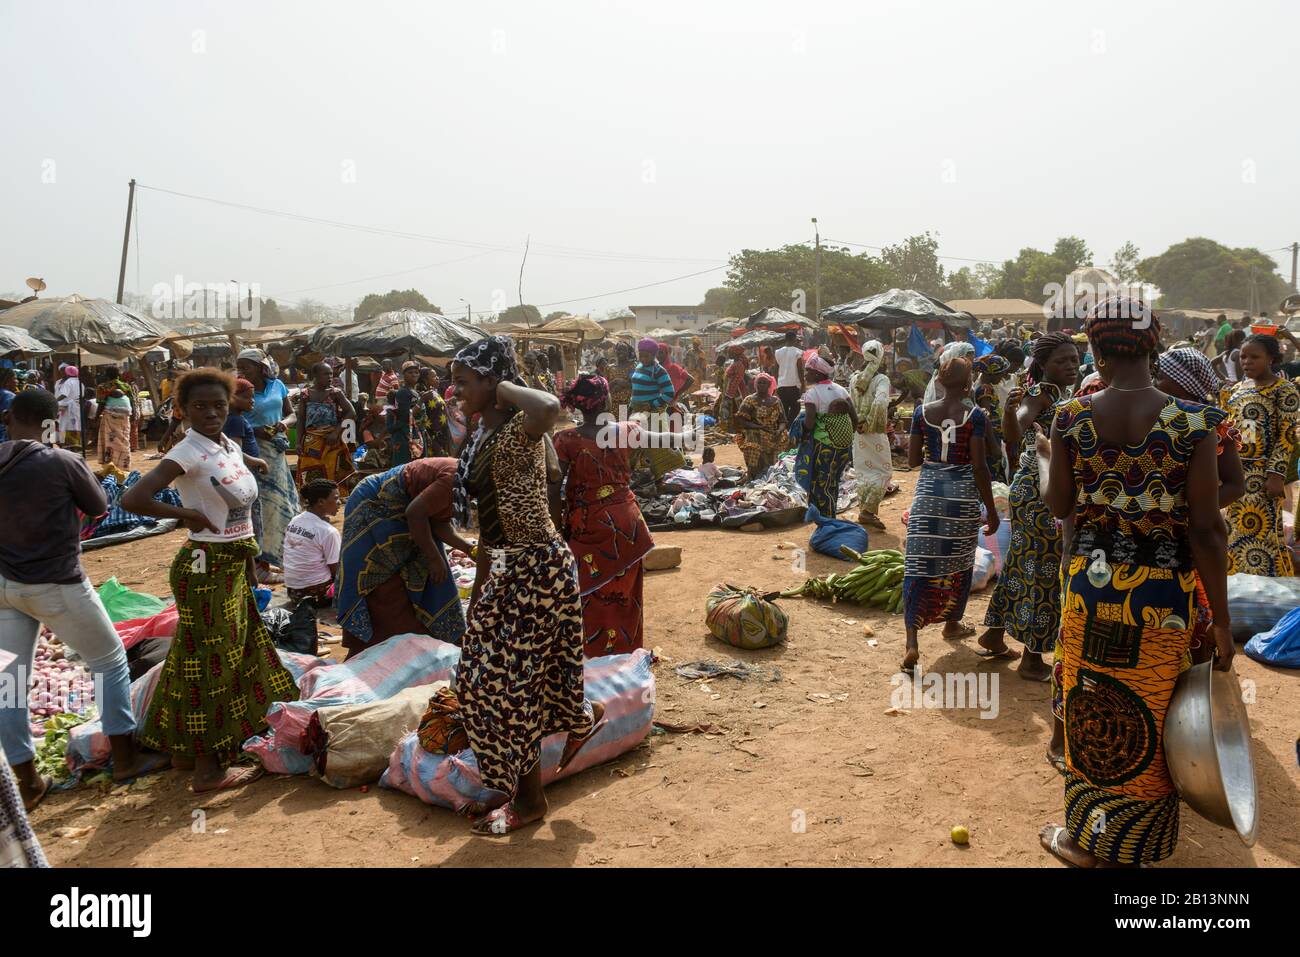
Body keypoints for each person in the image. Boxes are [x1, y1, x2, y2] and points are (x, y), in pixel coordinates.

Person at [1036, 299, 1233, 868]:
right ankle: (1134, 846)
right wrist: (1220, 621)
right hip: (1162, 595)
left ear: (1096, 351)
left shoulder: (1070, 417)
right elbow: (1207, 529)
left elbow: (1059, 504)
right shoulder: (1196, 423)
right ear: (1155, 347)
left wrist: (1051, 458)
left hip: (1091, 589)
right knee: (1150, 708)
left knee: (1091, 703)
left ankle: (1086, 837)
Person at [449, 336, 605, 835]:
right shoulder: (481, 434)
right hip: (507, 565)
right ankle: (577, 721)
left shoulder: (521, 426)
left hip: (536, 566)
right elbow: (490, 523)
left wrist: (506, 388)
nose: (455, 391)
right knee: (478, 683)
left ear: (494, 383)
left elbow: (550, 405)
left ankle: (529, 799)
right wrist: (480, 591)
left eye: (465, 381)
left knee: (512, 690)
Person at [121, 369, 295, 793]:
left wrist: (250, 462)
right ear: (183, 410)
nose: (211, 412)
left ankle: (183, 752)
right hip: (203, 566)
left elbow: (232, 474)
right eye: (200, 406)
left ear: (230, 403)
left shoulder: (226, 443)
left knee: (195, 656)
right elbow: (134, 498)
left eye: (219, 404)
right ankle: (208, 769)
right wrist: (187, 515)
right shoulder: (186, 451)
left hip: (231, 563)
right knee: (211, 663)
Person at [0, 389, 170, 810]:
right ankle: (127, 760)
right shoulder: (59, 461)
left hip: (4, 587)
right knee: (110, 660)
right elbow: (98, 506)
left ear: (8, 419)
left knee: (10, 682)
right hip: (56, 582)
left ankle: (25, 781)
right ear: (51, 421)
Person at [977, 332, 1078, 680]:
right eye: (1062, 360)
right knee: (1046, 570)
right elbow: (1018, 426)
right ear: (1045, 364)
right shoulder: (1043, 392)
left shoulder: (1057, 394)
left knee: (1022, 563)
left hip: (1029, 488)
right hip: (1040, 492)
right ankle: (1033, 658)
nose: (1071, 365)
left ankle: (993, 634)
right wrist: (1010, 415)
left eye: (1074, 359)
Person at [902, 357, 998, 672]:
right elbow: (981, 466)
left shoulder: (921, 412)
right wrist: (992, 510)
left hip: (928, 497)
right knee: (959, 565)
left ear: (939, 382)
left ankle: (912, 641)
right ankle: (952, 623)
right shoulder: (975, 416)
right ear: (969, 383)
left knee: (918, 566)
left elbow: (913, 459)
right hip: (961, 501)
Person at [553, 374, 655, 657]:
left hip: (587, 526)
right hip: (627, 523)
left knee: (588, 593)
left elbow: (552, 489)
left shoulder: (565, 440)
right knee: (626, 594)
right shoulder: (628, 430)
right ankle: (626, 654)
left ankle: (592, 658)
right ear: (607, 400)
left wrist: (557, 530)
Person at [336, 457, 472, 659]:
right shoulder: (454, 478)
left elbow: (439, 524)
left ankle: (425, 645)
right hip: (375, 505)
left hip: (409, 512)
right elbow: (415, 513)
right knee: (381, 577)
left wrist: (471, 551)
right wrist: (434, 558)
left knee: (431, 576)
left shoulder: (466, 485)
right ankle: (374, 651)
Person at [1220, 334, 1300, 575]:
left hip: (1263, 474)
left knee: (1263, 531)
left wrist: (1275, 474)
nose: (1247, 362)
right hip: (1237, 472)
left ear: (1271, 358)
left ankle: (1265, 582)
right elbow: (1227, 430)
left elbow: (1286, 435)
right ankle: (1237, 582)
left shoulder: (1283, 390)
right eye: (1243, 356)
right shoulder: (1235, 390)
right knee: (1234, 528)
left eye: (1255, 357)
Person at [236, 349, 298, 581]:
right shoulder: (238, 390)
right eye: (238, 366)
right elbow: (231, 422)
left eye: (246, 366)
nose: (241, 371)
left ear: (261, 367)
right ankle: (261, 563)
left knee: (281, 506)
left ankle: (276, 558)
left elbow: (292, 415)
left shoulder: (277, 386)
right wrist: (256, 431)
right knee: (261, 507)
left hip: (277, 451)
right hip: (254, 452)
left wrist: (282, 424)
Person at [794, 353, 856, 517]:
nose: (805, 375)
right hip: (843, 446)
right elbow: (854, 418)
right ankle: (830, 514)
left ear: (817, 373)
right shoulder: (842, 390)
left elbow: (809, 423)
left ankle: (826, 519)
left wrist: (799, 430)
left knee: (821, 483)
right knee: (833, 481)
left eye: (807, 371)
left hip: (823, 445)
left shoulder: (812, 394)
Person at [849, 340, 892, 529]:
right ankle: (867, 512)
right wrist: (873, 423)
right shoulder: (881, 379)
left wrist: (858, 423)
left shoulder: (854, 378)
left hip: (858, 433)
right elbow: (880, 402)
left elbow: (850, 403)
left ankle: (864, 510)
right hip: (874, 433)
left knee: (863, 471)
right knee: (883, 472)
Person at [283, 479, 342, 606]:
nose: (339, 502)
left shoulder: (294, 521)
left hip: (293, 592)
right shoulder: (328, 532)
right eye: (336, 498)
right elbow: (336, 570)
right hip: (316, 595)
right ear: (321, 502)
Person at [296, 361, 357, 485]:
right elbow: (301, 419)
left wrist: (336, 432)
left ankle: (334, 500)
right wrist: (298, 442)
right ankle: (313, 500)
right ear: (315, 376)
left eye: (330, 374)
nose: (330, 377)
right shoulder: (305, 394)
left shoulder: (335, 393)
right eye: (325, 374)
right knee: (309, 473)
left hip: (332, 441)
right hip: (311, 441)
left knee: (333, 472)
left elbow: (351, 413)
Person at [733, 372, 787, 481]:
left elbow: (783, 421)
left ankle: (774, 474)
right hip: (755, 431)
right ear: (755, 384)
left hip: (773, 433)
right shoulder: (749, 400)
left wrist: (779, 431)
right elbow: (742, 421)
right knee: (752, 441)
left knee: (786, 438)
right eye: (759, 382)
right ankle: (752, 474)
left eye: (764, 383)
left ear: (769, 385)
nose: (761, 385)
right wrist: (759, 427)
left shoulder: (776, 401)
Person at [971, 354, 1011, 484]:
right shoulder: (985, 389)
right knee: (992, 475)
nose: (1002, 377)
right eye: (1000, 373)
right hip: (989, 438)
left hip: (991, 437)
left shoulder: (983, 386)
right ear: (990, 374)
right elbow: (985, 417)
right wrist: (994, 445)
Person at [387, 361, 424, 466]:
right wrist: (421, 401)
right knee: (406, 467)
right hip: (405, 436)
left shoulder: (414, 391)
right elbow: (406, 416)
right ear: (404, 375)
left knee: (416, 467)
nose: (414, 374)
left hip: (416, 434)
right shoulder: (403, 392)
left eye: (416, 372)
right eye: (410, 372)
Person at [97, 384, 134, 469]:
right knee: (123, 442)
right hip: (124, 423)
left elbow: (101, 406)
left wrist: (96, 417)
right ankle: (123, 465)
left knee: (110, 443)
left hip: (111, 422)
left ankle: (111, 465)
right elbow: (131, 410)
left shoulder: (107, 396)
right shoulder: (126, 396)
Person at [774, 331, 805, 423]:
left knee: (784, 409)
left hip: (781, 386)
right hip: (794, 386)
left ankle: (785, 428)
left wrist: (776, 384)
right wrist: (803, 384)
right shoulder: (798, 352)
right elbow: (800, 370)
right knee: (796, 408)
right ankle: (789, 426)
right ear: (794, 339)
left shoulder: (778, 352)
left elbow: (775, 370)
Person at [719, 346, 752, 432]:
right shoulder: (735, 363)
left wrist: (729, 395)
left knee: (732, 409)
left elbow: (737, 380)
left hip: (734, 392)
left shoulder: (739, 365)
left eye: (730, 353)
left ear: (735, 354)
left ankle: (732, 428)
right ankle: (730, 427)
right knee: (730, 410)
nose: (728, 354)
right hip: (730, 390)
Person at [54, 365, 83, 447]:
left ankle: (66, 443)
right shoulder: (79, 382)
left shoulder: (68, 382)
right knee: (74, 424)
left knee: (64, 424)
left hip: (66, 406)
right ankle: (74, 443)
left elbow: (64, 395)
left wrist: (54, 401)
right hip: (74, 406)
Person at [605, 342, 636, 415]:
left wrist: (620, 382)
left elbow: (635, 385)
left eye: (624, 350)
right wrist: (615, 382)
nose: (621, 352)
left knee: (624, 425)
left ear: (628, 352)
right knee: (613, 426)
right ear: (615, 351)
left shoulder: (633, 367)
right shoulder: (609, 368)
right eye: (619, 349)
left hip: (627, 404)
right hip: (612, 404)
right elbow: (604, 387)